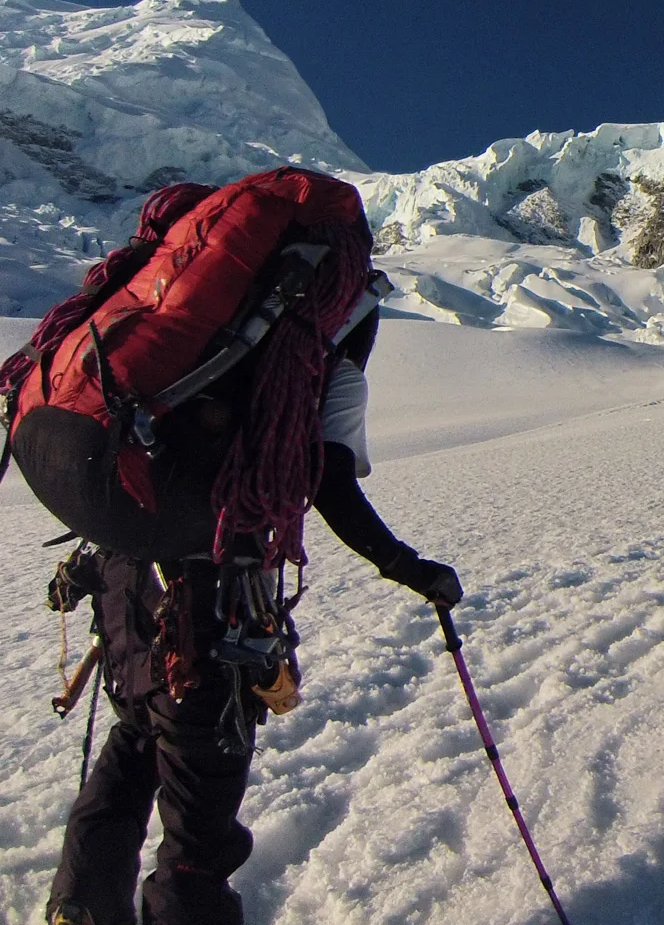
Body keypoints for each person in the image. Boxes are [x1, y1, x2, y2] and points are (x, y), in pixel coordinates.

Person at [45, 310, 460, 925]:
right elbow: (332, 487)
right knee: (198, 825)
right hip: (208, 617)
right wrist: (413, 570)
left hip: (124, 598)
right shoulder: (323, 372)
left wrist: (83, 572)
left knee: (133, 747)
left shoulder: (201, 347)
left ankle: (81, 907)